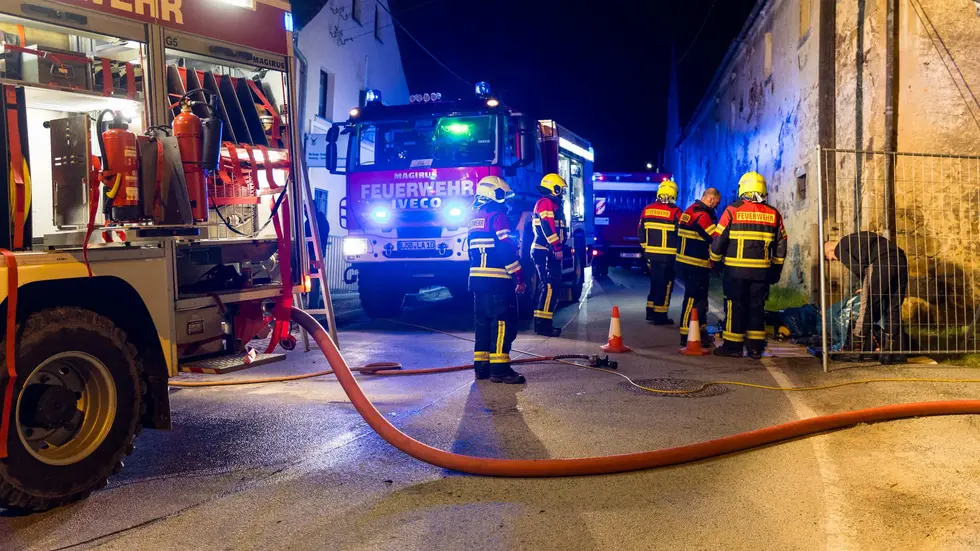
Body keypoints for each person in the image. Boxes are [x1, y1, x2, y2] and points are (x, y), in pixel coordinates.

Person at [709, 172, 787, 359]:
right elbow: (781, 244)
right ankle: (755, 348)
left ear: (742, 188)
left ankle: (733, 346)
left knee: (735, 306)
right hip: (761, 272)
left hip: (735, 271)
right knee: (756, 307)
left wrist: (715, 261)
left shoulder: (732, 210)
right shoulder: (773, 214)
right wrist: (776, 269)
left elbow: (719, 240)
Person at [468, 175, 527, 384]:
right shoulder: (498, 216)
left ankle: (482, 368)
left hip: (478, 280)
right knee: (502, 324)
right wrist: (519, 275)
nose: (506, 201)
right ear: (495, 194)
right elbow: (505, 249)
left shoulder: (474, 218)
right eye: (503, 195)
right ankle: (500, 370)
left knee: (482, 324)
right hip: (497, 281)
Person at [824, 232, 909, 364]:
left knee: (867, 306)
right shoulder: (853, 240)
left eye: (829, 258)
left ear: (829, 249)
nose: (832, 260)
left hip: (881, 262)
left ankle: (854, 350)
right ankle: (893, 353)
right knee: (894, 307)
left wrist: (866, 286)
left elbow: (858, 269)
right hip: (900, 259)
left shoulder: (839, 248)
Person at [676, 187, 721, 346]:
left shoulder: (689, 211)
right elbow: (715, 239)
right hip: (694, 264)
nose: (716, 206)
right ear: (711, 199)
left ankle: (700, 333)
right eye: (717, 203)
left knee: (700, 300)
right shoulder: (702, 215)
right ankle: (685, 334)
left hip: (689, 263)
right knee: (692, 299)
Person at [638, 179, 682, 325]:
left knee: (655, 283)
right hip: (668, 256)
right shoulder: (676, 212)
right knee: (666, 285)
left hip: (650, 255)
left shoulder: (647, 209)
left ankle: (650, 312)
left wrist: (646, 249)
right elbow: (680, 234)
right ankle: (660, 316)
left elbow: (640, 232)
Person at [531, 173, 568, 337]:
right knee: (549, 287)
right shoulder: (546, 203)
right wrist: (557, 246)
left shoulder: (549, 203)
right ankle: (542, 326)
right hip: (545, 250)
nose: (562, 193)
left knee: (549, 287)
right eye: (561, 190)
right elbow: (547, 225)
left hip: (547, 250)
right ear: (555, 188)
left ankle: (544, 324)